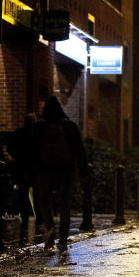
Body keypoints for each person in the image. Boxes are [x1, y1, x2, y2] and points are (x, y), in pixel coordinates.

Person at [31, 96, 87, 252]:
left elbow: (32, 150)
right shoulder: (70, 126)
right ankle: (62, 240)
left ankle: (50, 227)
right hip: (65, 170)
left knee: (43, 200)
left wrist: (32, 170)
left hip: (46, 169)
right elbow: (80, 150)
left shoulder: (39, 126)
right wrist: (83, 171)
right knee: (64, 205)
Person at [7, 113, 37, 241]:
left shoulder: (18, 134)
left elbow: (10, 149)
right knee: (39, 193)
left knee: (23, 194)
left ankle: (25, 218)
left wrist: (17, 158)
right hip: (35, 168)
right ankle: (39, 218)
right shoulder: (37, 135)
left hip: (21, 167)